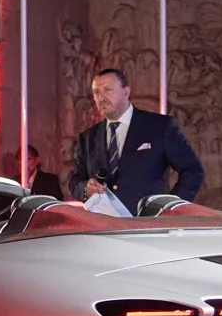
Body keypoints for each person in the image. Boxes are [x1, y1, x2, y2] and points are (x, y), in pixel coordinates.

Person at [66, 67, 205, 215]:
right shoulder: (88, 137)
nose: (101, 98)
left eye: (108, 90)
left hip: (148, 227)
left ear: (126, 92)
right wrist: (85, 188)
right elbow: (75, 181)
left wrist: (169, 209)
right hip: (103, 226)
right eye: (96, 92)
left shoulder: (159, 127)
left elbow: (193, 171)